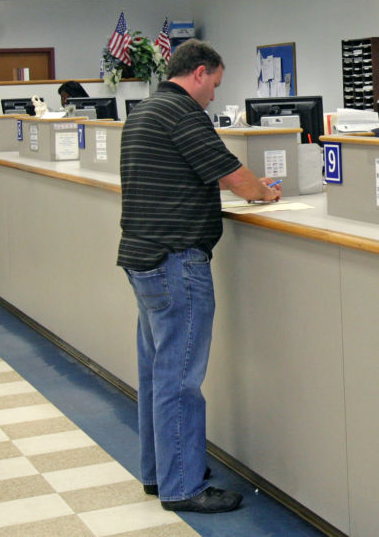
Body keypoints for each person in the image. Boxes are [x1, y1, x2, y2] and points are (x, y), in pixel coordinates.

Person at [117, 39, 281, 514]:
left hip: (142, 257)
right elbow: (232, 175)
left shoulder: (145, 111)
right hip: (176, 261)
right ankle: (183, 486)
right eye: (214, 85)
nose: (213, 96)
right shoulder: (183, 113)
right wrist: (264, 193)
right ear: (199, 73)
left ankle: (159, 472)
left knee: (157, 372)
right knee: (180, 379)